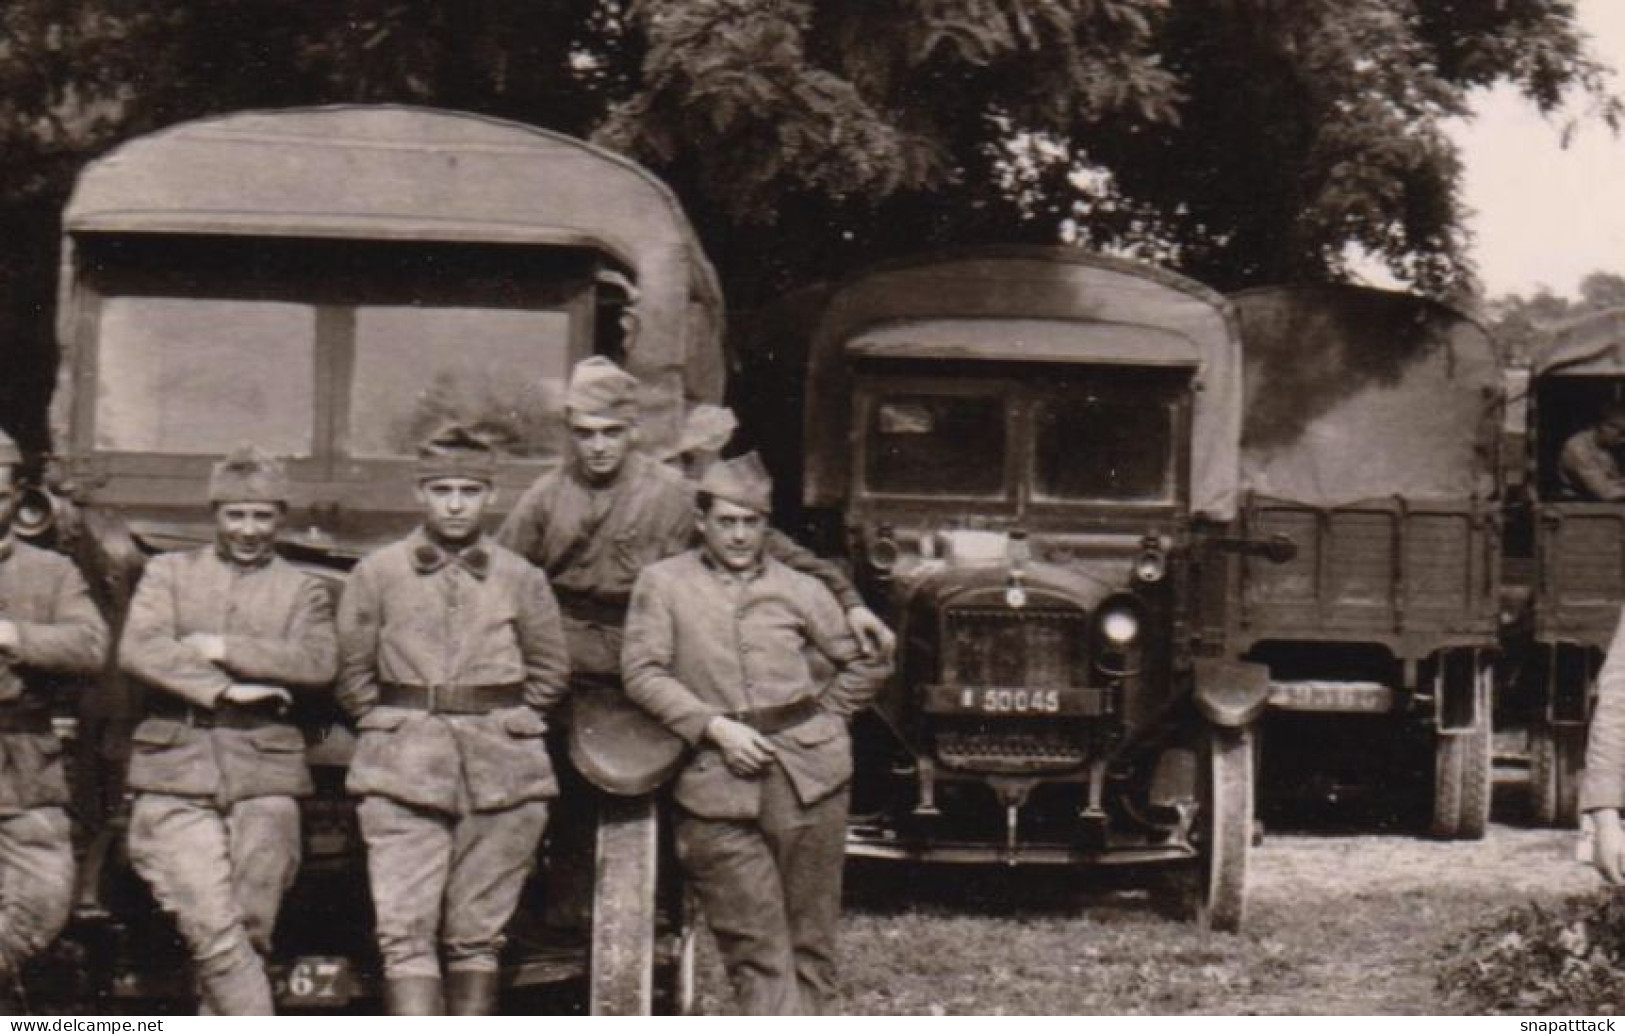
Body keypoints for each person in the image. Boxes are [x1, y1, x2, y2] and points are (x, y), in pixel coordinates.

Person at [622, 454, 892, 1015]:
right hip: (715, 788)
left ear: (767, 525)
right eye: (727, 522)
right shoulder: (665, 584)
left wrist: (826, 719)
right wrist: (713, 728)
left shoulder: (799, 588)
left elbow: (867, 660)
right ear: (702, 522)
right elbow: (643, 672)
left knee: (808, 944)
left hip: (809, 785)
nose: (740, 535)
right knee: (757, 949)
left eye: (751, 522)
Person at [337, 425, 569, 1016]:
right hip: (402, 770)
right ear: (421, 494)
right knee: (405, 931)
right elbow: (354, 675)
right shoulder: (379, 573)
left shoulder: (521, 577)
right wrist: (397, 727)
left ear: (489, 496)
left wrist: (500, 724)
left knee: (478, 935)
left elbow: (548, 673)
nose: (457, 503)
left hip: (503, 774)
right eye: (443, 489)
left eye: (470, 489)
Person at [118, 447, 336, 1015]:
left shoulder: (302, 589)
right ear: (214, 513)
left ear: (280, 518)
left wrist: (224, 648)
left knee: (249, 935)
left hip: (264, 777)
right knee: (213, 929)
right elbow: (141, 647)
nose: (248, 529)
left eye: (262, 515)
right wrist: (223, 689)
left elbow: (317, 661)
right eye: (235, 514)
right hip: (176, 771)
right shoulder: (168, 573)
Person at [0, 430, 108, 1010]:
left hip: (24, 765)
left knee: (44, 902)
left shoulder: (50, 573)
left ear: (17, 498)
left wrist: (16, 635)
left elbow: (90, 645)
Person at [1560, 404, 1625, 501]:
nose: (1623, 440)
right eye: (1622, 434)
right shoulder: (1578, 448)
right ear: (1605, 426)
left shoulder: (1608, 446)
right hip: (1578, 505)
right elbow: (1605, 492)